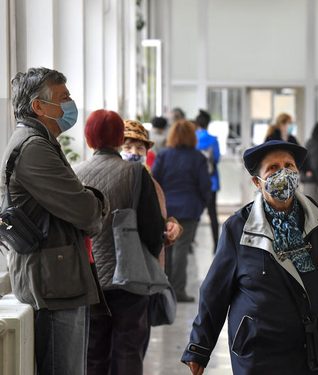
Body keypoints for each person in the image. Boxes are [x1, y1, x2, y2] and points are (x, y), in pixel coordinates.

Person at [181, 140, 318, 375]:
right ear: (257, 182)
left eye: (289, 165)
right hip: (262, 348)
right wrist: (199, 348)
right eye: (273, 168)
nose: (283, 173)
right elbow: (215, 292)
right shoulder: (239, 227)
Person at [1, 67, 107, 374]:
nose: (70, 104)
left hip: (57, 277)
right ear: (39, 106)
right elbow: (86, 211)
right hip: (53, 284)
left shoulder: (39, 141)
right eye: (64, 98)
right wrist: (99, 201)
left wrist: (88, 200)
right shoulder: (34, 148)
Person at [74, 110, 165, 375]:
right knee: (128, 350)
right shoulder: (136, 174)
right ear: (118, 139)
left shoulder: (74, 174)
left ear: (89, 139)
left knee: (93, 352)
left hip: (88, 278)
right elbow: (152, 230)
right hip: (130, 277)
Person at [121, 119, 183, 357]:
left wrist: (172, 226)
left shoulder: (152, 183)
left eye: (139, 148)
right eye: (128, 147)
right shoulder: (118, 179)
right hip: (121, 273)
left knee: (137, 340)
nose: (134, 153)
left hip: (146, 272)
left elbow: (161, 218)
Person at [152, 120, 212, 302]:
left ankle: (165, 288)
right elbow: (205, 186)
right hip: (190, 208)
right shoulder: (198, 158)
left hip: (167, 209)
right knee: (181, 249)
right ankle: (178, 291)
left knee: (166, 248)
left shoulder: (163, 155)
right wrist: (201, 205)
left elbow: (154, 181)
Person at [194, 109, 221, 253]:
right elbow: (216, 159)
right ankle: (216, 244)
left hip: (195, 182)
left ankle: (190, 243)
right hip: (212, 181)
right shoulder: (213, 139)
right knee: (212, 214)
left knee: (194, 214)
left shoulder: (192, 138)